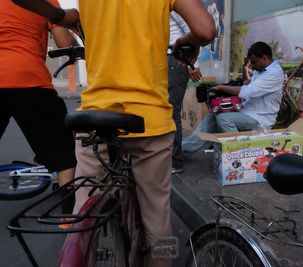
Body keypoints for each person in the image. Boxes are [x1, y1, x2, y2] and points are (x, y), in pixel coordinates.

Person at [11, 1, 215, 266]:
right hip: (148, 121)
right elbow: (205, 30)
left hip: (95, 119)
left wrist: (63, 17)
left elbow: (59, 15)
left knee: (84, 216)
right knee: (157, 221)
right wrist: (186, 41)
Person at [0, 0, 78, 213]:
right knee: (63, 151)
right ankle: (67, 219)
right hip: (27, 78)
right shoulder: (47, 3)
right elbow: (66, 44)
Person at [182, 41, 284, 156]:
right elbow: (246, 84)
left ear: (264, 58)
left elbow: (247, 91)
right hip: (246, 112)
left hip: (260, 119)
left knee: (224, 118)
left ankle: (240, 153)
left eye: (254, 62)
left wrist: (221, 87)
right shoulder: (261, 70)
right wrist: (243, 69)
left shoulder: (274, 74)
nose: (253, 66)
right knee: (214, 114)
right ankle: (181, 151)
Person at [168, 11, 203, 174]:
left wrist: (189, 63)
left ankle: (175, 162)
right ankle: (167, 159)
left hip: (173, 57)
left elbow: (195, 30)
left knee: (170, 111)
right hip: (161, 59)